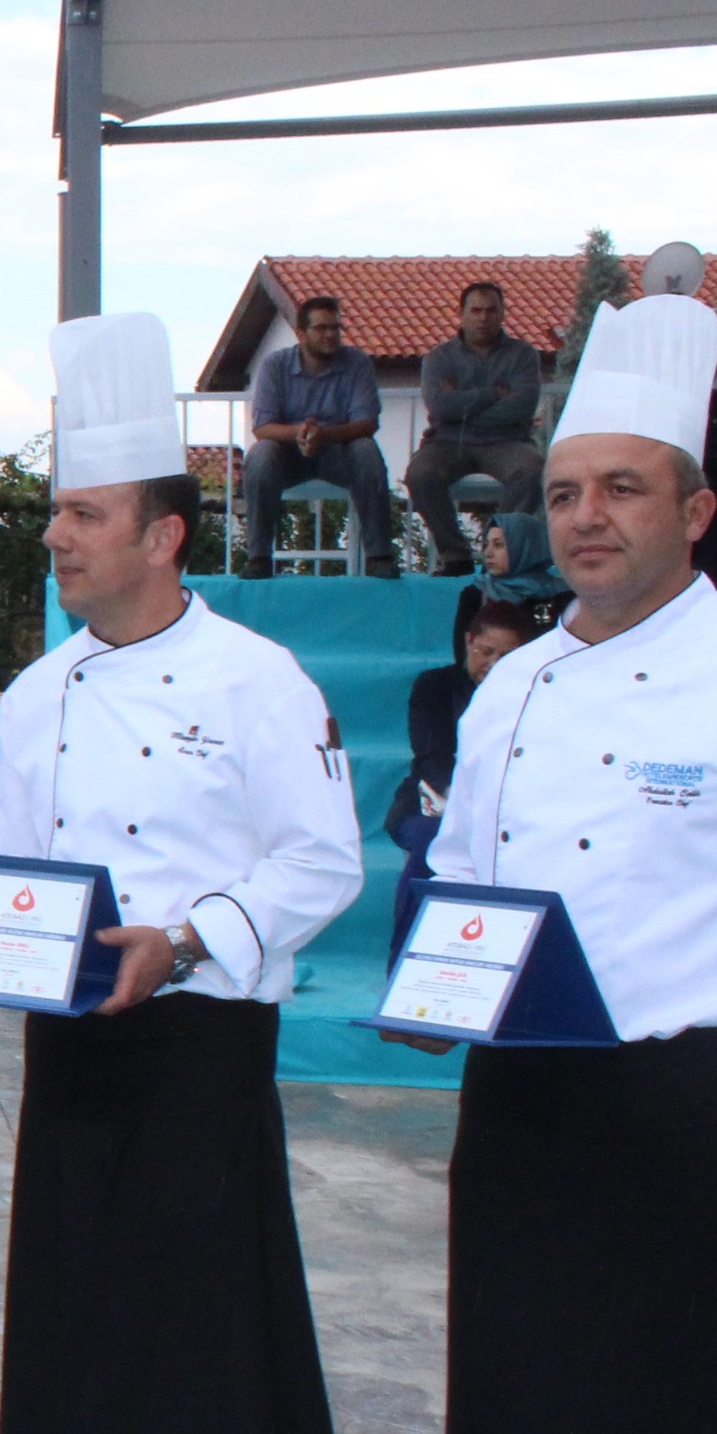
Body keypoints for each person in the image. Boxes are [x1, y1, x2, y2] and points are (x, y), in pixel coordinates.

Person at [380, 293, 717, 1434]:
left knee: (700, 1413)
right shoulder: (522, 683)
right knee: (522, 1383)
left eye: (623, 489)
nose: (588, 517)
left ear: (696, 507)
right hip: (535, 1078)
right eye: (564, 492)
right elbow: (474, 884)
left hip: (715, 1088)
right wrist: (438, 994)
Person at [0, 311, 363, 1434]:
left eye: (85, 515)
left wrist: (191, 939)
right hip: (74, 1020)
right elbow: (20, 870)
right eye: (56, 514)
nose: (57, 538)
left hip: (197, 1031)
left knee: (182, 1311)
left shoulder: (258, 682)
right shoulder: (38, 696)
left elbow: (323, 858)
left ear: (162, 535)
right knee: (77, 1292)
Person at [384, 592, 544, 957]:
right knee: (430, 841)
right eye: (485, 651)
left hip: (508, 809)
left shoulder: (537, 694)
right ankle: (405, 963)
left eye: (505, 656)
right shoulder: (435, 686)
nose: (492, 663)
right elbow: (432, 756)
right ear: (468, 641)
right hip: (432, 802)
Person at [240, 296, 397, 578]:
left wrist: (324, 435)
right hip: (288, 453)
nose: (331, 335)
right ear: (301, 334)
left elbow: (367, 423)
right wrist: (301, 433)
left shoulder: (357, 363)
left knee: (366, 449)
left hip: (338, 451)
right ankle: (259, 558)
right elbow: (263, 426)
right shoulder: (274, 365)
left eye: (336, 328)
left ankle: (380, 556)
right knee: (260, 454)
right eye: (322, 328)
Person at [402, 282, 546, 568]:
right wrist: (493, 393)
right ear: (462, 314)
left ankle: (497, 551)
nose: (483, 317)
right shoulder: (439, 358)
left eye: (491, 310)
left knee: (532, 470)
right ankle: (455, 555)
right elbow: (440, 407)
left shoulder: (523, 355)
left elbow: (521, 407)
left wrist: (461, 404)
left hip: (507, 442)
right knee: (420, 475)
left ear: (503, 313)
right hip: (448, 443)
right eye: (476, 310)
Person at [474, 512, 564, 608]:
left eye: (498, 545)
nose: (488, 553)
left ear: (525, 548)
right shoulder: (477, 593)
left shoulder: (562, 594)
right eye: (486, 544)